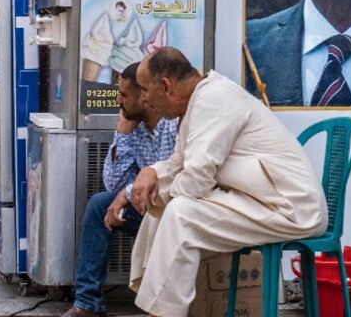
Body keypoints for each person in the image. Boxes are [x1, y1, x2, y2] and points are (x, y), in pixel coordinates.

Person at [127, 48, 325, 317]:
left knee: (181, 213)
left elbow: (196, 180)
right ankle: (157, 304)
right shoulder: (199, 100)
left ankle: (163, 312)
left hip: (290, 208)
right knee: (159, 207)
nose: (145, 99)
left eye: (146, 90)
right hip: (261, 200)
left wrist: (167, 192)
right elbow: (179, 165)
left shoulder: (213, 99)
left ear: (166, 86)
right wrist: (151, 173)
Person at [63, 63, 177, 317]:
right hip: (145, 210)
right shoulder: (133, 128)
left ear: (145, 96)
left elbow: (169, 181)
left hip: (174, 212)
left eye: (124, 94)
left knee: (122, 203)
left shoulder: (172, 125)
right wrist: (122, 135)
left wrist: (125, 194)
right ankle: (87, 303)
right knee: (99, 203)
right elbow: (112, 185)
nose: (118, 100)